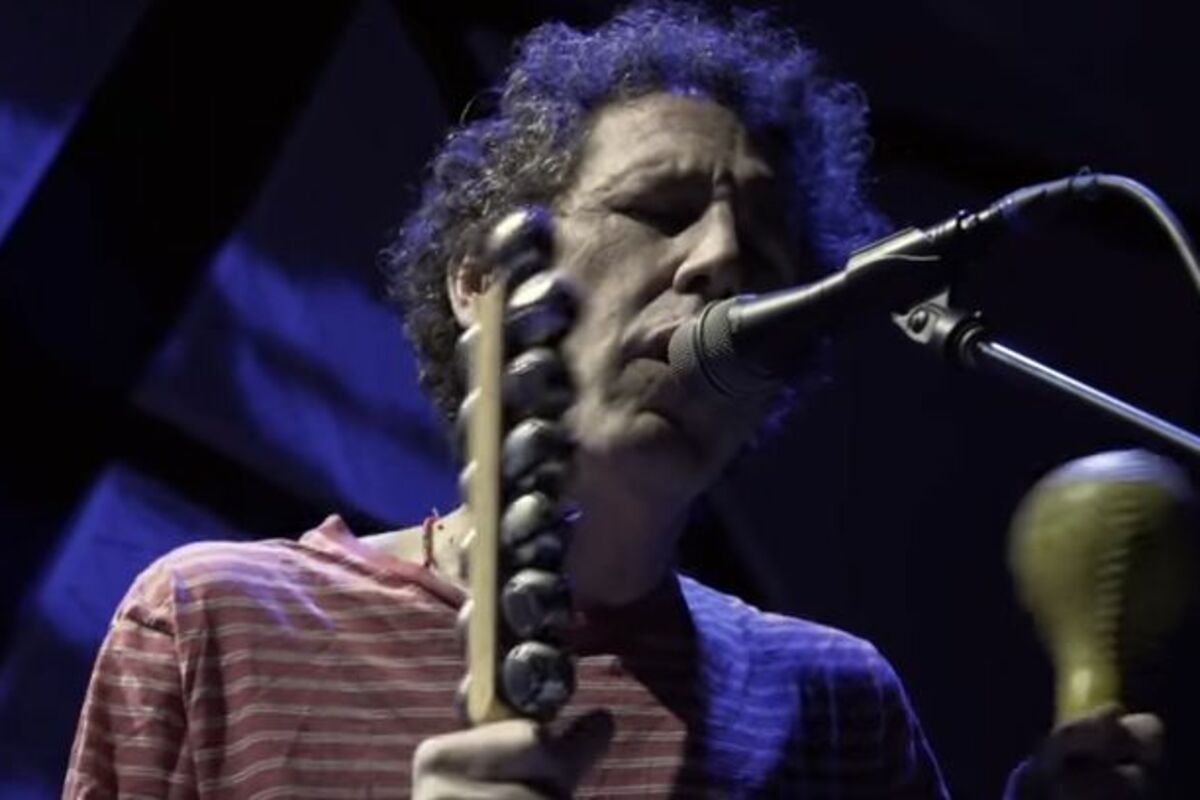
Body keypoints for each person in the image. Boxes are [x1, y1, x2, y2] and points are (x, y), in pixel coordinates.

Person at [64, 3, 1162, 797]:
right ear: (483, 282)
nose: (721, 260)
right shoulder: (214, 622)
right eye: (660, 209)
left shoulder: (836, 702)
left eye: (766, 254)